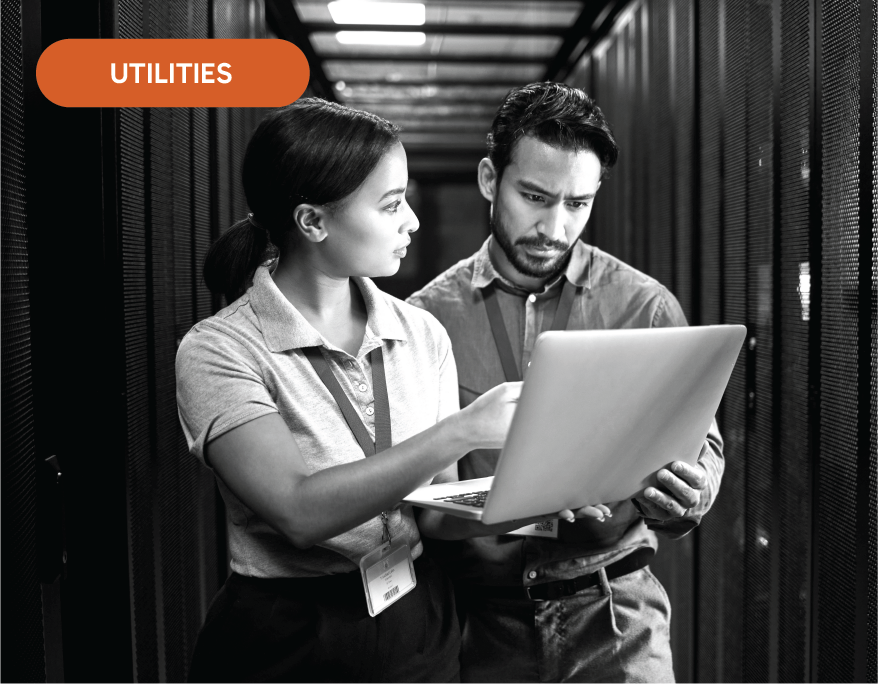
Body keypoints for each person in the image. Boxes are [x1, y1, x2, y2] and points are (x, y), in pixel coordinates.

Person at [176, 98, 607, 684]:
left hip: (417, 622)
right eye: (390, 204)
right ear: (313, 221)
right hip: (290, 637)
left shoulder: (420, 332)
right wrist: (462, 430)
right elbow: (298, 511)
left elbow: (436, 515)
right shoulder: (219, 349)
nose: (413, 220)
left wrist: (532, 500)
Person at [407, 82, 725, 684]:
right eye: (534, 196)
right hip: (478, 623)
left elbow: (701, 447)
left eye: (577, 204)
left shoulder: (646, 307)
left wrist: (693, 491)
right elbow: (413, 483)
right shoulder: (424, 319)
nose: (554, 226)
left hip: (615, 618)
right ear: (487, 179)